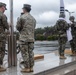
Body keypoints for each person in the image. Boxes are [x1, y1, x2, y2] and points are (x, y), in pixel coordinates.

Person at [16, 4, 36, 72]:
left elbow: (18, 27)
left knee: (25, 53)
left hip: (23, 39)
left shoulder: (21, 17)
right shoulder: (33, 18)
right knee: (31, 53)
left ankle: (27, 68)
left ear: (24, 9)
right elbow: (34, 27)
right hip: (31, 39)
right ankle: (31, 67)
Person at [0, 2, 9, 71]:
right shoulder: (2, 15)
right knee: (1, 50)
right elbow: (6, 26)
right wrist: (9, 25)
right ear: (2, 7)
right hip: (1, 36)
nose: (5, 10)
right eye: (4, 8)